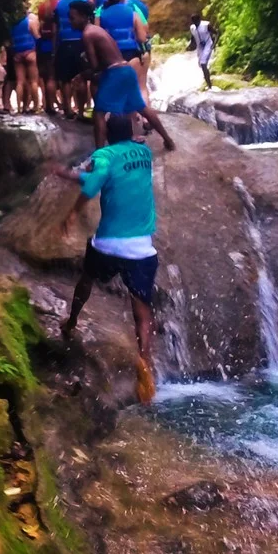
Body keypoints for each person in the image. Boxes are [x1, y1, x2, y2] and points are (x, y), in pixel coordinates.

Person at [55, 112, 166, 403]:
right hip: (141, 247)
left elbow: (92, 183)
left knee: (87, 279)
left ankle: (71, 321)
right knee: (142, 309)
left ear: (106, 132)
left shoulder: (103, 154)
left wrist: (72, 211)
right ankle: (145, 362)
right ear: (131, 131)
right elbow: (118, 161)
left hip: (108, 243)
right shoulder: (143, 152)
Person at [66, 0, 175, 152]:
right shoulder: (95, 30)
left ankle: (99, 155)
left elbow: (95, 66)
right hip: (126, 70)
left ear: (84, 17)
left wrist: (81, 76)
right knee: (141, 107)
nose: (70, 21)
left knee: (99, 113)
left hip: (116, 73)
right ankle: (168, 140)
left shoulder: (87, 34)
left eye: (73, 17)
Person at [53, 0, 90, 120]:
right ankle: (81, 111)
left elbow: (56, 28)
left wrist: (54, 49)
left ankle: (68, 109)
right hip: (82, 42)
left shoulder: (60, 4)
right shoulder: (85, 2)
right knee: (82, 78)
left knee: (65, 78)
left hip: (64, 43)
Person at [7, 0, 40, 113]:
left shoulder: (12, 25)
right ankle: (36, 107)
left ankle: (20, 108)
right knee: (34, 82)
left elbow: (11, 41)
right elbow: (37, 37)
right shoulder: (30, 23)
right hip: (30, 52)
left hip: (18, 54)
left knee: (20, 81)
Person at [120, 0, 151, 96]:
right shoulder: (141, 5)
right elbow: (146, 25)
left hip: (133, 45)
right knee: (142, 83)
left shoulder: (126, 5)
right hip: (145, 43)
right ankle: (144, 109)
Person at [36, 0, 62, 115]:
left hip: (42, 43)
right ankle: (52, 106)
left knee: (44, 76)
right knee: (52, 76)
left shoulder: (42, 6)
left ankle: (46, 103)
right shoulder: (59, 5)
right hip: (53, 43)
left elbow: (39, 25)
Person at [188, 13, 215, 90]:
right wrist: (190, 45)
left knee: (203, 64)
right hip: (200, 46)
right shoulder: (193, 28)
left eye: (196, 22)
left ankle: (209, 85)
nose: (195, 23)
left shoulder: (206, 25)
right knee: (201, 65)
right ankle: (207, 80)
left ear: (199, 20)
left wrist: (214, 44)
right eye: (193, 22)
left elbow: (216, 33)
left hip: (208, 43)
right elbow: (193, 37)